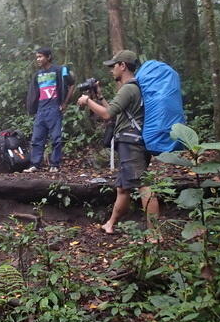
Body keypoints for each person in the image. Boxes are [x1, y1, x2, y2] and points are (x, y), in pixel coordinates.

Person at [76, 50, 159, 235]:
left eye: (113, 66)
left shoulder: (129, 88)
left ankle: (155, 234)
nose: (111, 70)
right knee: (123, 188)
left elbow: (106, 114)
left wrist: (87, 101)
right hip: (131, 141)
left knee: (144, 186)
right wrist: (99, 96)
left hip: (131, 143)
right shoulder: (131, 88)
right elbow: (113, 113)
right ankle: (110, 224)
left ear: (123, 66)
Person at [24, 47, 75, 173]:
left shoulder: (59, 70)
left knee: (56, 138)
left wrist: (64, 103)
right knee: (37, 138)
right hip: (41, 109)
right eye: (37, 57)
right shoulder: (37, 74)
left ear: (48, 57)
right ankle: (35, 164)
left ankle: (54, 165)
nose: (38, 59)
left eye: (40, 57)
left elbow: (71, 84)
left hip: (54, 108)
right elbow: (34, 93)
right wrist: (32, 107)